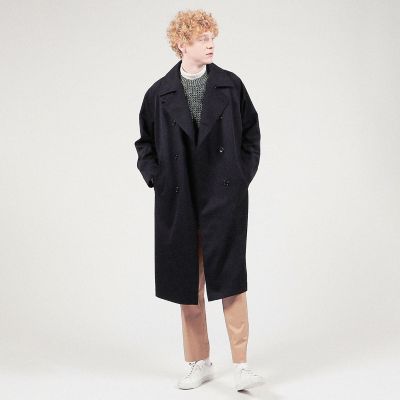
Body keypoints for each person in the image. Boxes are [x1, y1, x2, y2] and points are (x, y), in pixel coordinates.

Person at [135, 9, 265, 391]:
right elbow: (144, 144)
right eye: (202, 39)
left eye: (212, 38)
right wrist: (157, 179)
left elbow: (251, 135)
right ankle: (199, 361)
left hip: (222, 197)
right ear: (182, 44)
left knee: (231, 280)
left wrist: (239, 177)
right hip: (179, 200)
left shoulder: (230, 86)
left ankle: (241, 365)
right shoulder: (159, 93)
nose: (211, 45)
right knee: (187, 286)